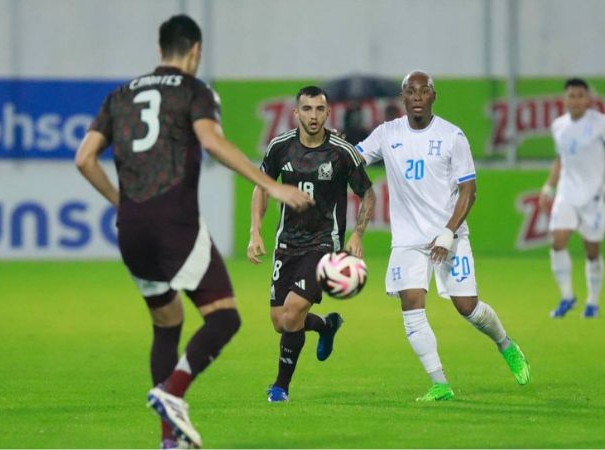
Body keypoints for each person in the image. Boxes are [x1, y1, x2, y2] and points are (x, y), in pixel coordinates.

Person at [75, 15, 312, 449]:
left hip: (131, 229)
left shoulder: (119, 96)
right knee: (224, 317)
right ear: (196, 51)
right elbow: (213, 143)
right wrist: (271, 185)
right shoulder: (194, 91)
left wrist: (120, 203)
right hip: (174, 223)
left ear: (160, 48)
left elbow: (84, 158)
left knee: (167, 324)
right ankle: (172, 391)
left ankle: (170, 439)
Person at [354, 71, 530, 401]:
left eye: (424, 91)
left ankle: (506, 345)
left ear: (434, 96)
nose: (417, 96)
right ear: (402, 98)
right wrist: (334, 146)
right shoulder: (387, 133)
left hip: (449, 236)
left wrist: (449, 233)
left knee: (468, 307)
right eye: (411, 91)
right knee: (411, 302)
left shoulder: (452, 136)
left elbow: (469, 191)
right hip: (408, 240)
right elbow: (352, 158)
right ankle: (440, 384)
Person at [247, 86, 376, 402]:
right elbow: (262, 187)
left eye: (320, 109)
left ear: (328, 113)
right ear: (296, 113)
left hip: (323, 246)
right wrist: (255, 231)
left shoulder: (341, 152)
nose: (314, 116)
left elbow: (368, 193)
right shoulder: (280, 148)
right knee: (281, 322)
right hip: (286, 243)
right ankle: (324, 326)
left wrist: (357, 233)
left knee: (292, 314)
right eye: (307, 109)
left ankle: (280, 387)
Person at [539, 78, 605, 319]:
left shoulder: (602, 124)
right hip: (567, 192)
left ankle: (593, 302)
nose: (575, 99)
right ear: (564, 99)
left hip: (594, 195)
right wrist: (548, 187)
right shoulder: (558, 126)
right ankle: (567, 296)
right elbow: (560, 160)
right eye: (571, 95)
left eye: (580, 95)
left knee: (592, 251)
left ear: (588, 99)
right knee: (557, 241)